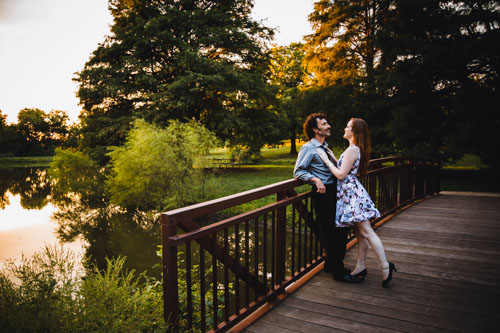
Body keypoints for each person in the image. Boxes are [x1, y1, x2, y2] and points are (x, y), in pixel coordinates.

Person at [316, 118, 396, 287]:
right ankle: (361, 267)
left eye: (348, 126)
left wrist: (324, 159)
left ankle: (385, 266)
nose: (344, 128)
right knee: (361, 234)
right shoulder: (353, 149)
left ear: (354, 132)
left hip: (351, 195)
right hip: (350, 194)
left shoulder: (353, 150)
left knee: (367, 232)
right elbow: (344, 168)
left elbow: (340, 175)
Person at [294, 113, 361, 283]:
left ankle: (331, 264)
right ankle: (339, 273)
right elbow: (298, 171)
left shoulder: (325, 148)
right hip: (323, 194)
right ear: (316, 129)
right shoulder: (309, 148)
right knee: (333, 233)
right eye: (324, 124)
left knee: (340, 230)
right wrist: (316, 180)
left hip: (335, 192)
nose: (328, 126)